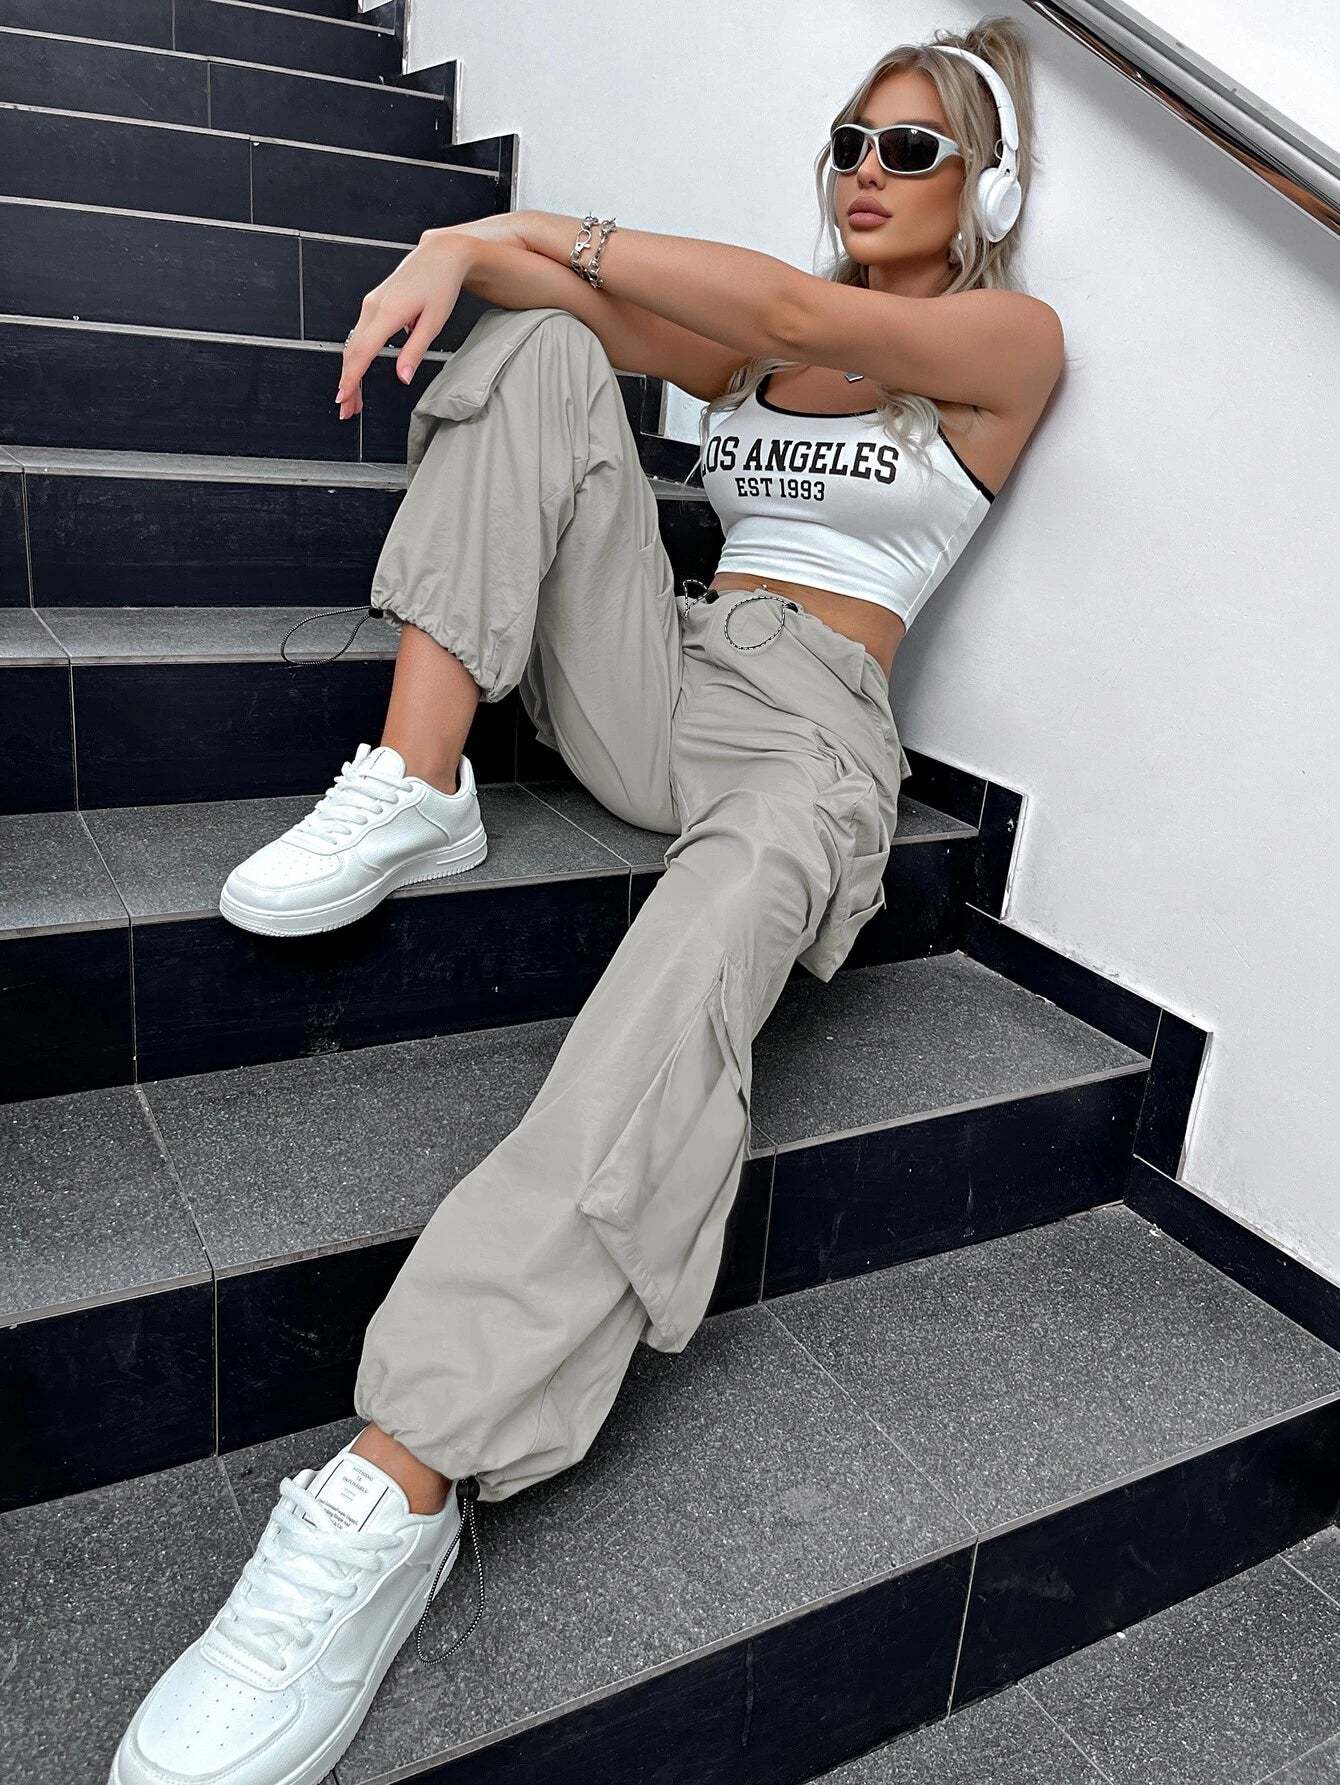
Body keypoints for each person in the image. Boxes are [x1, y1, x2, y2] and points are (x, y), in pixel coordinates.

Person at [108, 18, 1063, 1784]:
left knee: (701, 956)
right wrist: (471, 256)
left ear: (984, 193)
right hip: (669, 672)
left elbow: (774, 306)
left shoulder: (1002, 345)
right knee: (540, 346)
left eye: (913, 149)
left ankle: (397, 1484)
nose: (867, 170)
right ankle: (419, 778)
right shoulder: (763, 343)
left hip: (809, 743)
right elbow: (588, 310)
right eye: (852, 139)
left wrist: (494, 226)